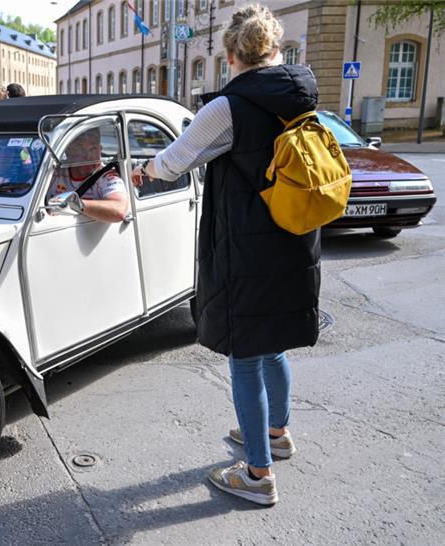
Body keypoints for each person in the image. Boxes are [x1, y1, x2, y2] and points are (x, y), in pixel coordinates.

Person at [131, 3, 318, 506]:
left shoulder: (228, 107)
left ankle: (258, 474)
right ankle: (276, 434)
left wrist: (142, 170)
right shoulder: (299, 94)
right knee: (272, 343)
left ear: (231, 54)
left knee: (244, 353)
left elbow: (173, 163)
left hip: (248, 245)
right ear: (275, 50)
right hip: (293, 236)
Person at [47, 128, 128, 223]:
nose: (88, 156)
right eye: (79, 148)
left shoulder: (107, 176)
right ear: (68, 151)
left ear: (100, 150)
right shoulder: (55, 173)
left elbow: (119, 210)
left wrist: (75, 204)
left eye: (93, 148)